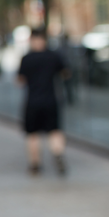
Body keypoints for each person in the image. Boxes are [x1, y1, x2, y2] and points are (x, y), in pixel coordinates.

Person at [17, 27, 69, 176]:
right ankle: (58, 154)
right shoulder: (53, 56)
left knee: (33, 134)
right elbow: (65, 73)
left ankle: (35, 165)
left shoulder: (26, 58)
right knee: (54, 131)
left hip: (32, 101)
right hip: (51, 100)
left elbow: (20, 80)